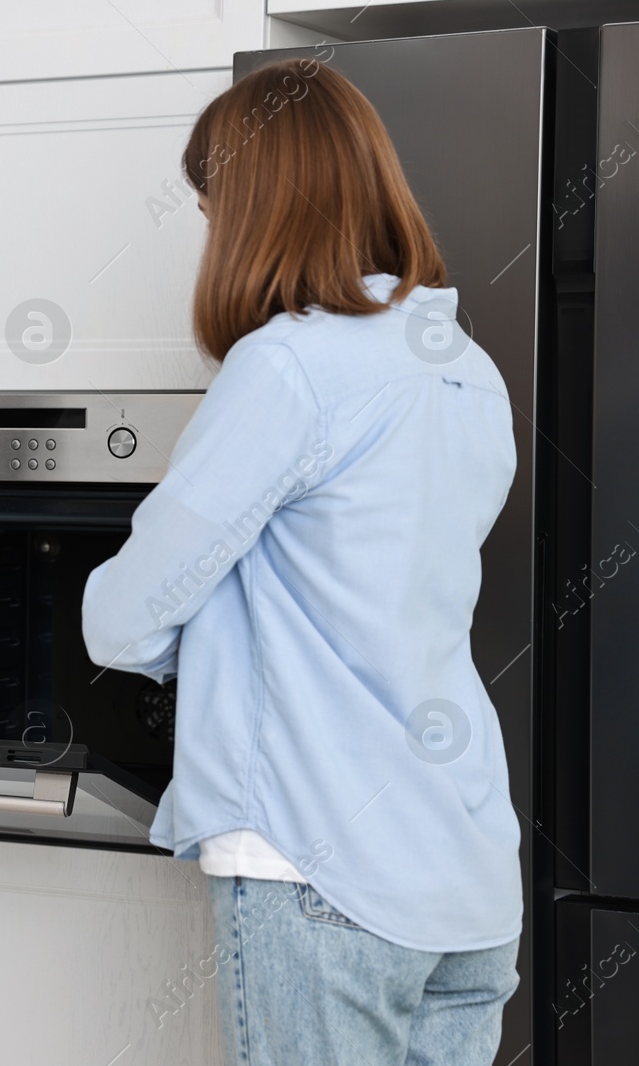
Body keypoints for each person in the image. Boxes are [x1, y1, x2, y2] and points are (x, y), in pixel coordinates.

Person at [81, 60, 520, 1065]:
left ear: (248, 206)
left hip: (321, 865)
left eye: (209, 210)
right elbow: (370, 586)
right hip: (466, 873)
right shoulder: (466, 366)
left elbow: (122, 618)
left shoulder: (286, 365)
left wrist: (204, 641)